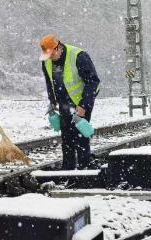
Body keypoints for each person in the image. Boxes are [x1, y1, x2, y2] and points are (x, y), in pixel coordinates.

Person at [39, 34, 100, 170]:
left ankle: (85, 167)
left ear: (58, 48)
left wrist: (84, 105)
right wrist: (52, 101)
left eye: (51, 54)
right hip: (64, 102)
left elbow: (93, 82)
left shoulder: (78, 56)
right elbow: (50, 83)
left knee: (80, 136)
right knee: (66, 137)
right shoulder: (46, 61)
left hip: (82, 99)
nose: (49, 58)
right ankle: (68, 168)